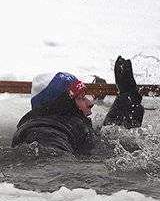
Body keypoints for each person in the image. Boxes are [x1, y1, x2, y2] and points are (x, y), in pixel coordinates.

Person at [11, 57, 144, 155]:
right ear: (62, 103)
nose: (90, 102)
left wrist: (127, 99)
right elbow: (54, 168)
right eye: (80, 97)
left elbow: (99, 140)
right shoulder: (42, 131)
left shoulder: (65, 125)